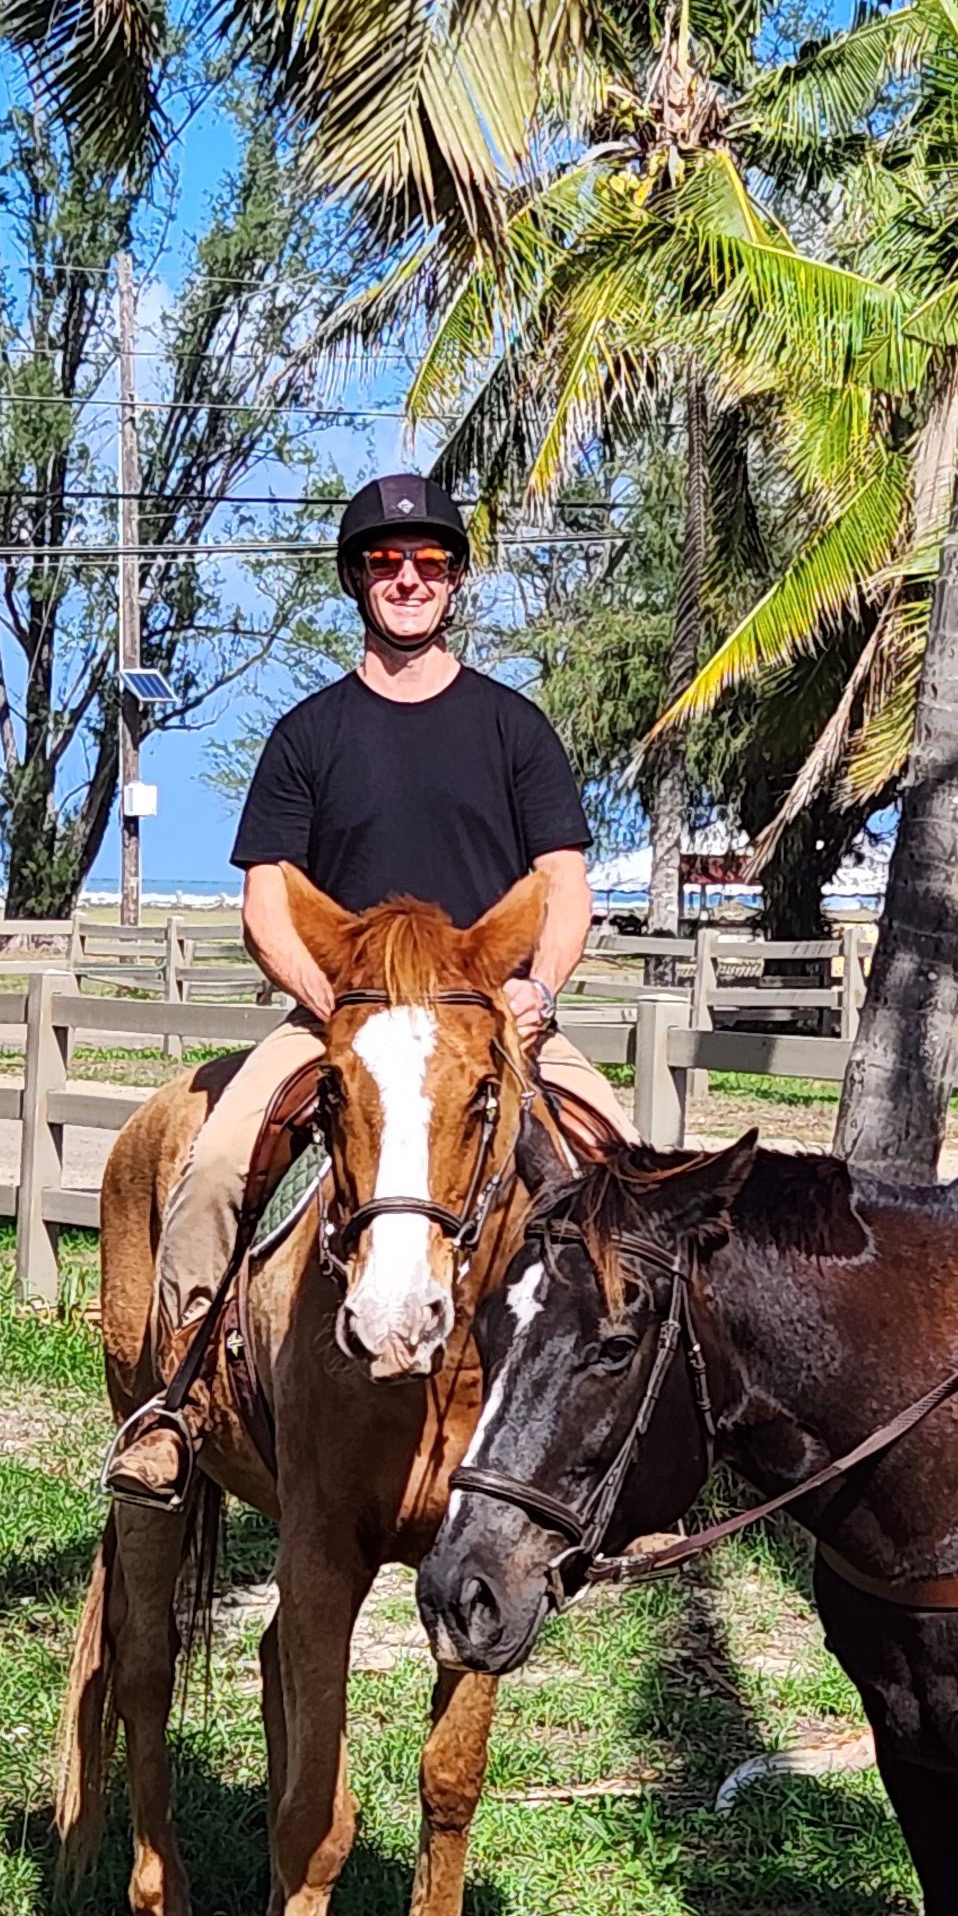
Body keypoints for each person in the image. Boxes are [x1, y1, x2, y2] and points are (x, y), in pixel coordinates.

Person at [143, 470, 624, 1356]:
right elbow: (266, 899)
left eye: (430, 560)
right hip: (347, 1017)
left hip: (487, 1021)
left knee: (627, 1173)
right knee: (213, 1169)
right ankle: (181, 1394)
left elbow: (563, 881)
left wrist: (540, 991)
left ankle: (640, 1406)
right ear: (358, 579)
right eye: (386, 560)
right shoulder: (307, 735)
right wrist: (334, 1007)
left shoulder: (515, 730)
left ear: (454, 580)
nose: (409, 577)